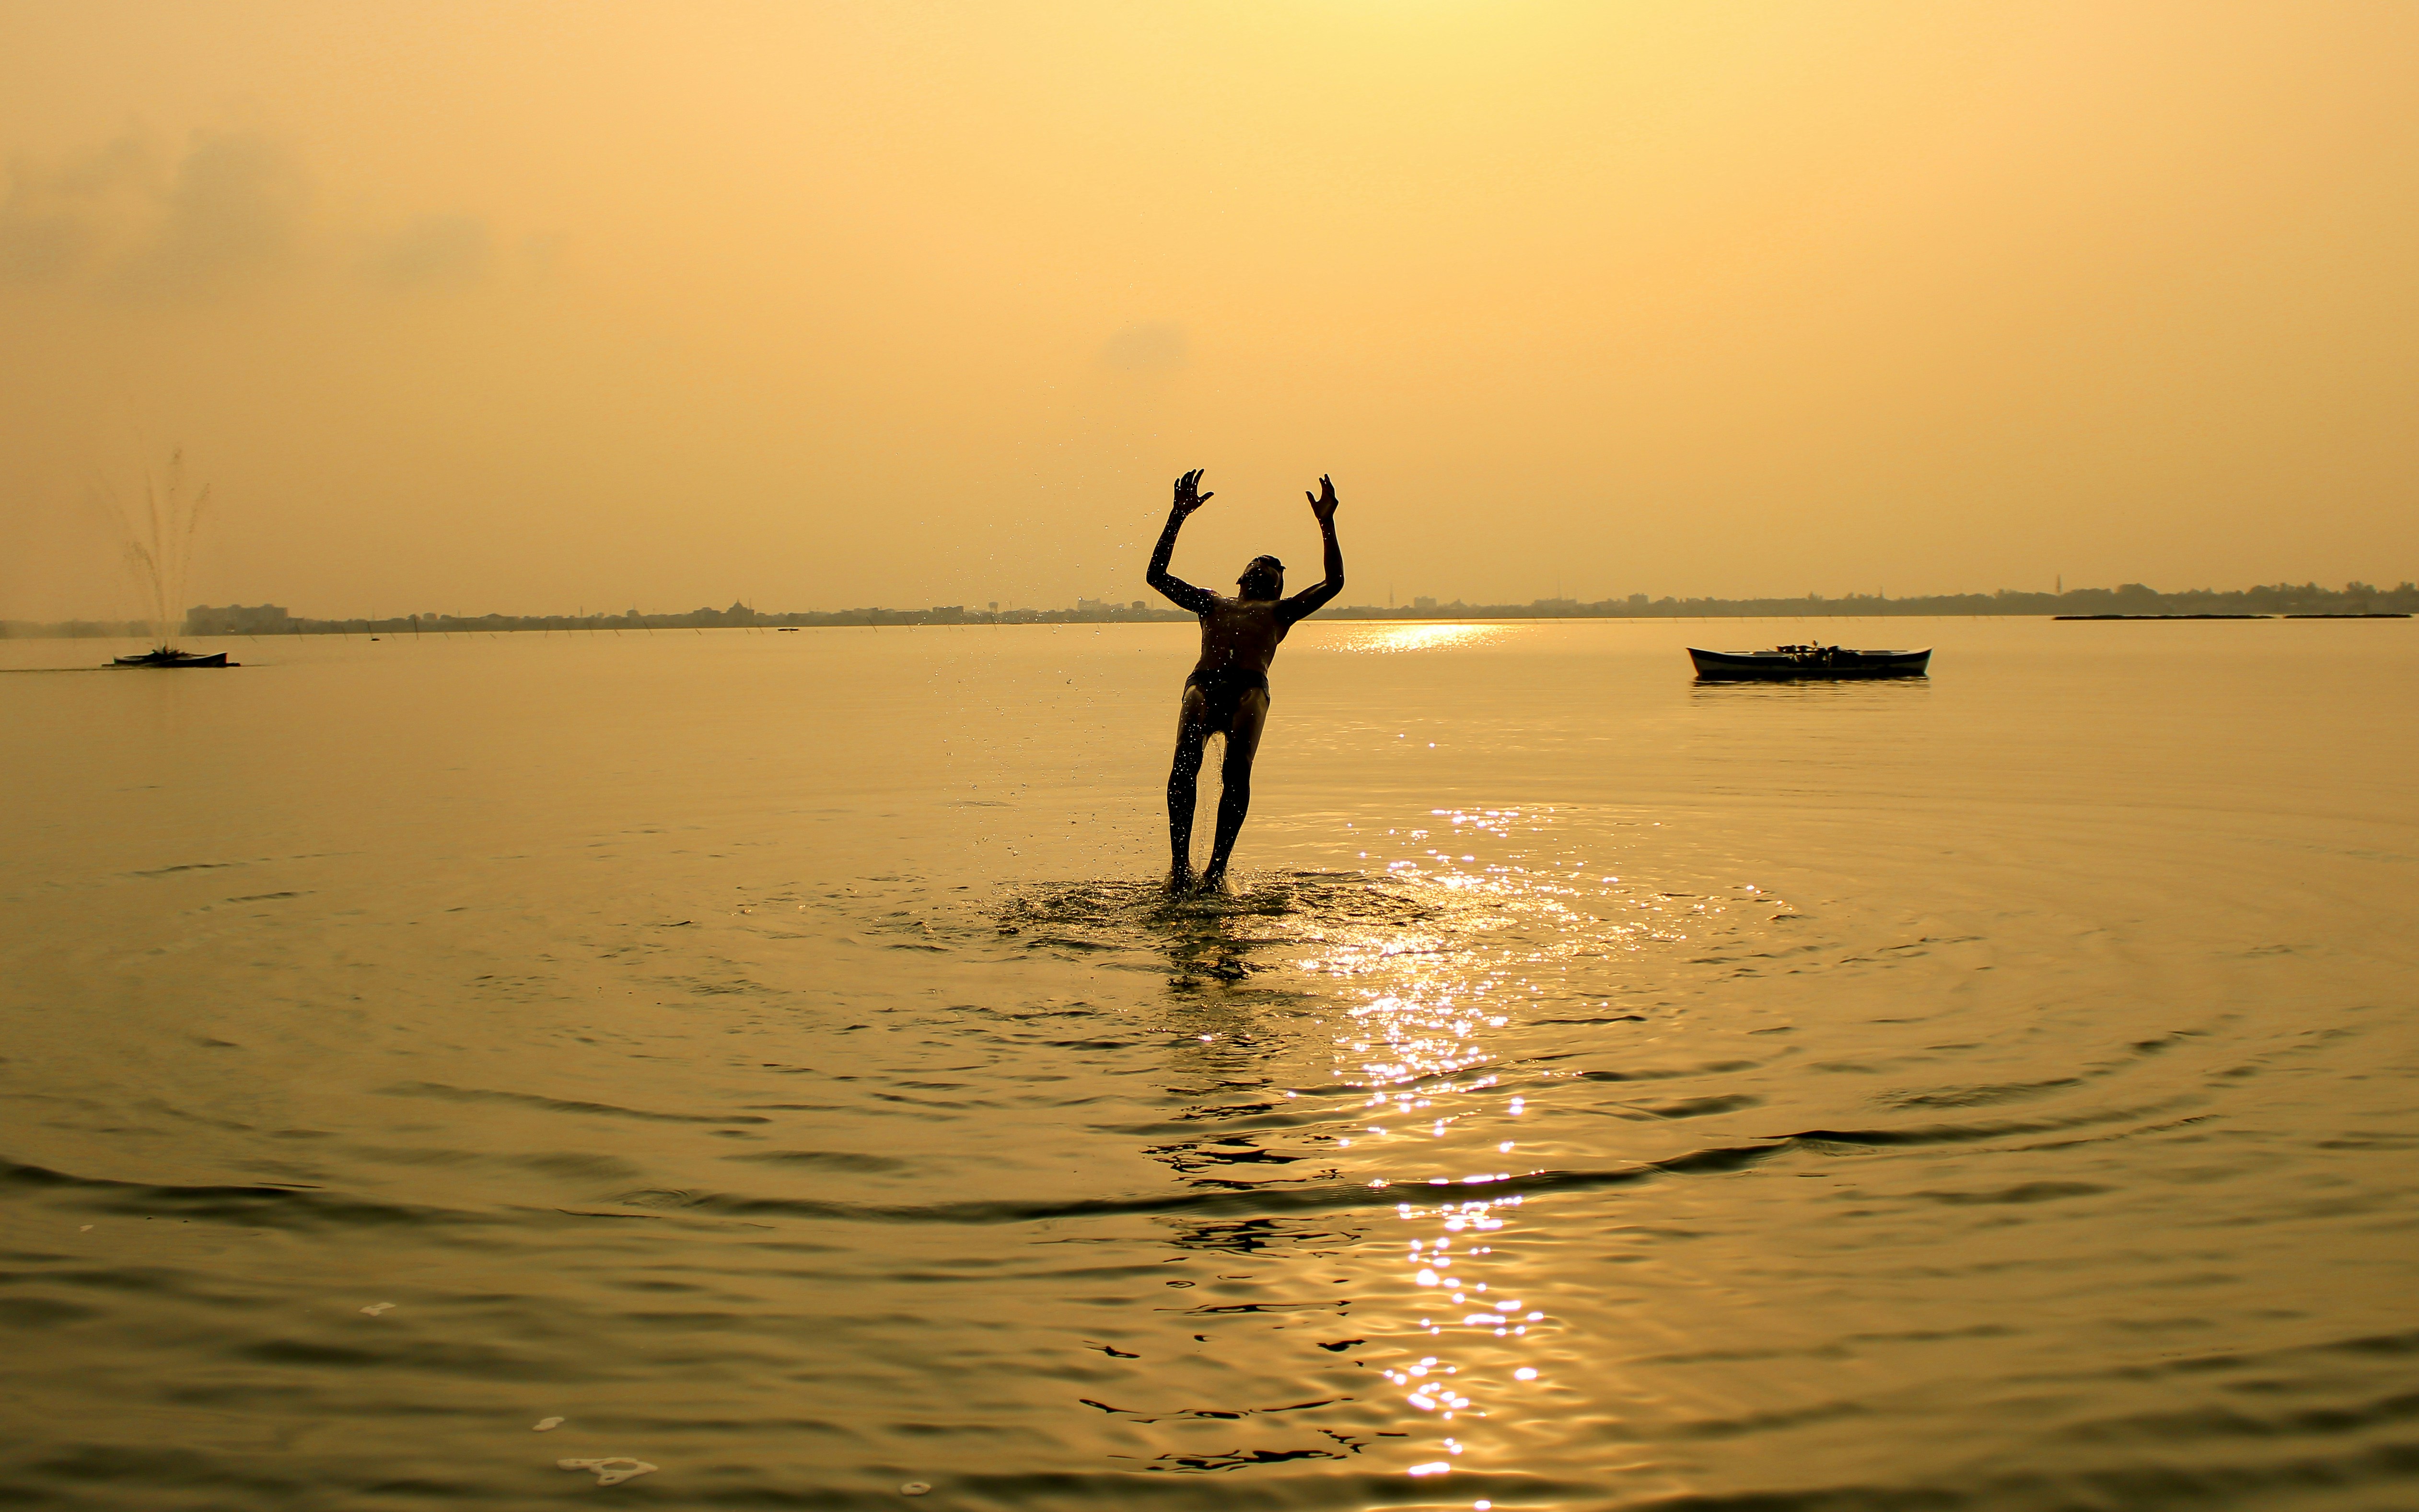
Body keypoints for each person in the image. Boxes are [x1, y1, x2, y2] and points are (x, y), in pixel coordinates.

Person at [1145, 467, 1345, 889]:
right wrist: (1177, 516)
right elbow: (1157, 577)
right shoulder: (1210, 603)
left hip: (1249, 692)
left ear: (1278, 589)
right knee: (1185, 764)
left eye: (1276, 570)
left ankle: (1216, 872)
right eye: (1262, 563)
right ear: (1241, 577)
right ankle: (1180, 868)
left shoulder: (1280, 612)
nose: (1269, 567)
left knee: (1236, 772)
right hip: (1203, 684)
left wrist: (1327, 525)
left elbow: (1334, 582)